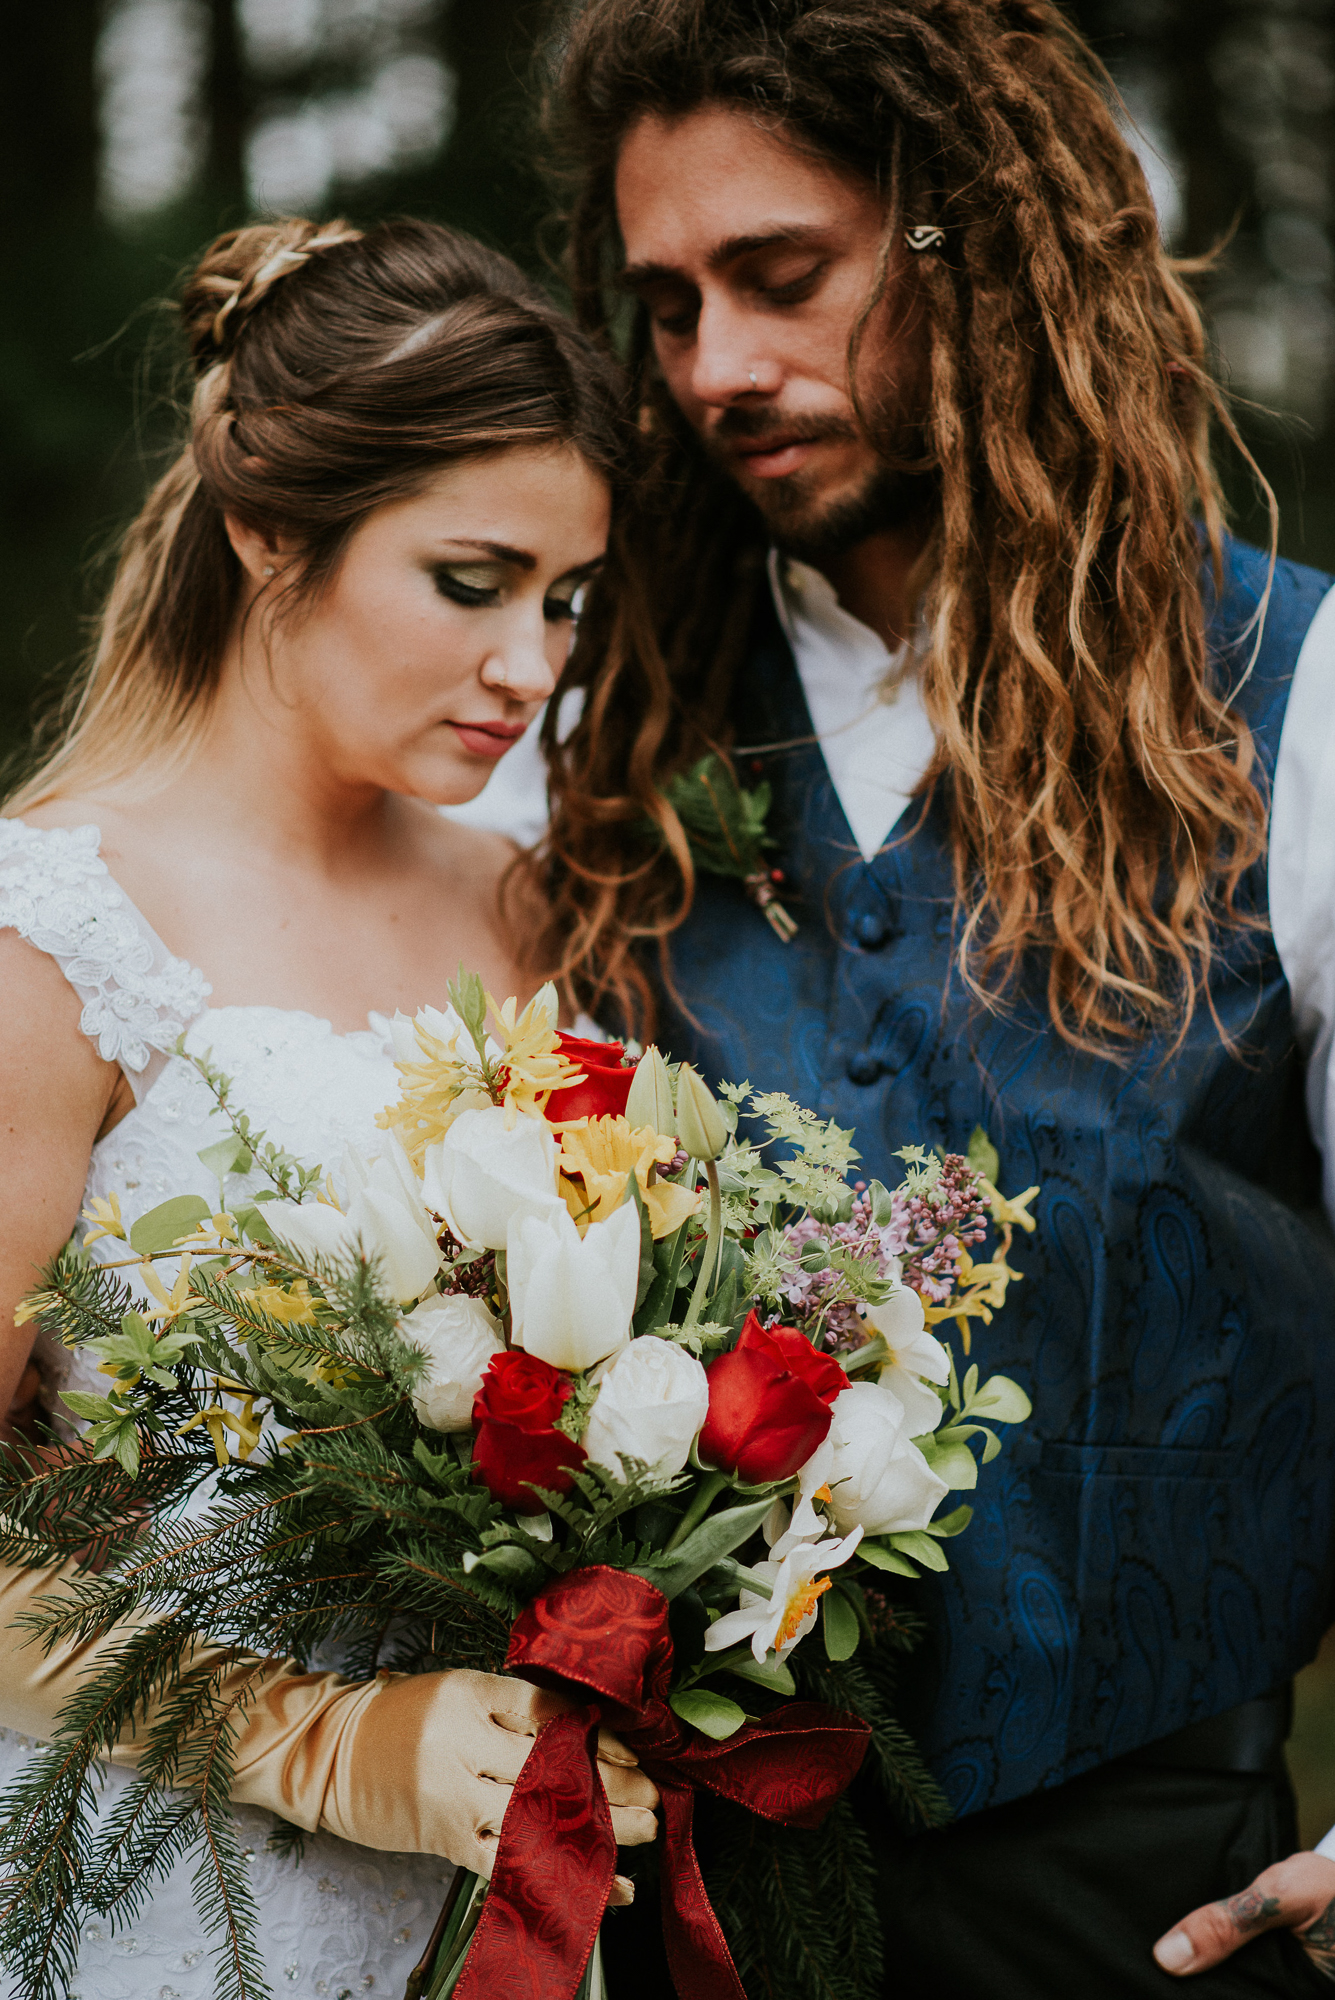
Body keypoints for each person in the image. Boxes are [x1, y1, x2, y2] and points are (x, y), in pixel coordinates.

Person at [532, 1, 1335, 1992]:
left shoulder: (1290, 699)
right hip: (663, 1901)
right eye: (664, 305)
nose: (716, 365)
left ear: (972, 242)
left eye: (779, 277)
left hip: (1138, 1904)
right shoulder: (572, 731)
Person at [0, 215, 658, 2000]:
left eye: (569, 599)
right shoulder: (54, 932)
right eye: (474, 581)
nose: (535, 663)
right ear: (268, 531)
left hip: (508, 1887)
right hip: (156, 1880)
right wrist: (323, 1741)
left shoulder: (528, 904)